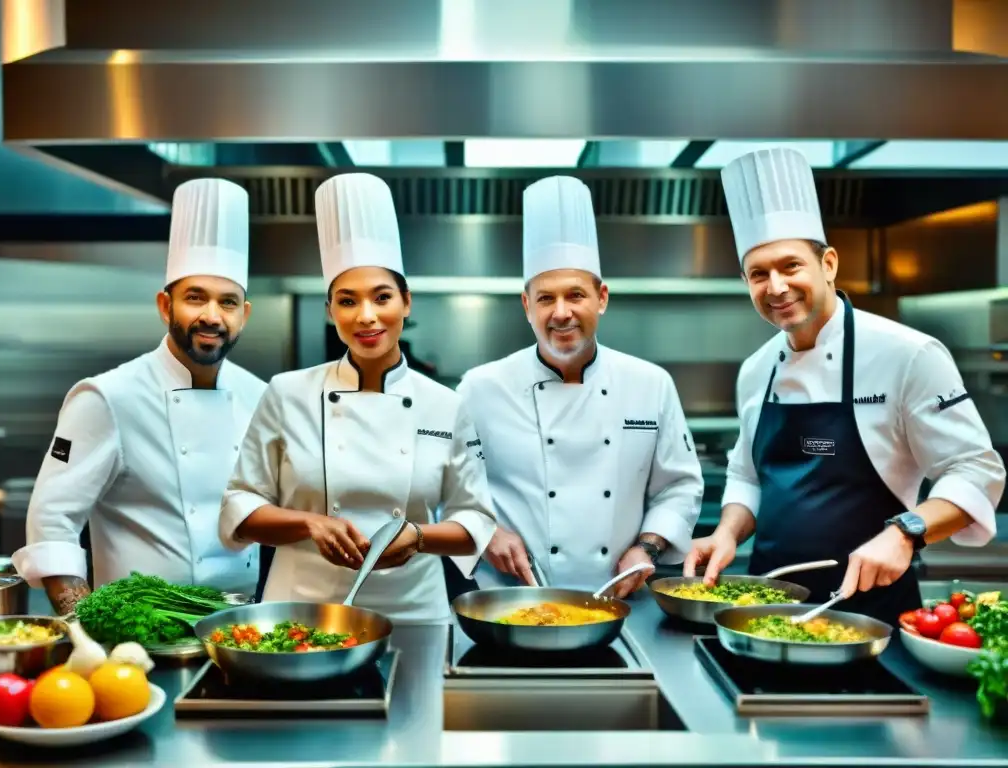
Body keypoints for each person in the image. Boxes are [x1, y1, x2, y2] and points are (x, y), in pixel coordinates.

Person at [683, 147, 1005, 625]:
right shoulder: (756, 368)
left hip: (875, 616)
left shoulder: (908, 354)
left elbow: (977, 469)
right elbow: (748, 476)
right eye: (758, 274)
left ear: (828, 264)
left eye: (790, 266)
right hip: (767, 613)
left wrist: (905, 533)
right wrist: (728, 531)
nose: (776, 287)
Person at [219, 173, 497, 624]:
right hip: (301, 608)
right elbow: (240, 506)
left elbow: (475, 522)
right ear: (331, 312)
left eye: (381, 297)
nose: (366, 316)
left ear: (406, 302)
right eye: (347, 301)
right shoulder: (287, 392)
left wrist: (419, 536)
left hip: (414, 613)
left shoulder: (445, 404)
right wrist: (309, 523)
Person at [13, 178, 268, 615]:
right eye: (195, 298)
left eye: (227, 302)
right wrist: (85, 625)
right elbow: (51, 522)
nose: (211, 316)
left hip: (238, 630)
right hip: (136, 640)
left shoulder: (260, 396)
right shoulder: (108, 397)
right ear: (165, 306)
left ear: (243, 316)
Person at [457, 176, 705, 598]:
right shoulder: (479, 388)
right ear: (526, 306)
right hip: (509, 598)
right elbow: (449, 490)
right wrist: (486, 532)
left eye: (576, 295)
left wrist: (646, 547)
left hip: (619, 595)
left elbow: (679, 486)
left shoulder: (650, 384)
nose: (561, 313)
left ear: (602, 298)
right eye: (545, 298)